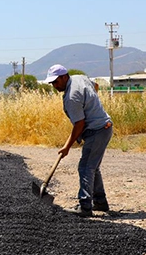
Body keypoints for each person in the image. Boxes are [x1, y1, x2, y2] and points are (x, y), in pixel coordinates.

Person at [45, 64, 113, 217]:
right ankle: (100, 203)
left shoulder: (72, 97)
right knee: (92, 167)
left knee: (85, 167)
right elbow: (95, 86)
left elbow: (79, 124)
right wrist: (91, 103)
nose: (54, 86)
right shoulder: (79, 78)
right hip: (104, 127)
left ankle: (85, 206)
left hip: (97, 130)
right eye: (52, 83)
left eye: (56, 82)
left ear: (64, 77)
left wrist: (67, 146)